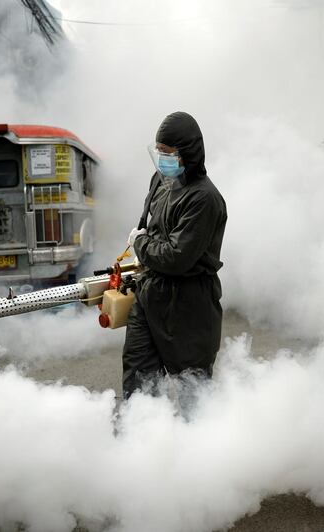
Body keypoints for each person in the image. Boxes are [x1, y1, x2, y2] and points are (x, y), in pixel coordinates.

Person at [122, 111, 227, 399]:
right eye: (158, 151)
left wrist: (140, 244)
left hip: (189, 306)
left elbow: (175, 257)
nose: (161, 159)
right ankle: (139, 438)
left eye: (167, 152)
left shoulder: (204, 198)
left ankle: (200, 443)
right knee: (138, 384)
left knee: (192, 392)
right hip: (150, 295)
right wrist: (139, 247)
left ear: (187, 153)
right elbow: (149, 226)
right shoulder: (159, 181)